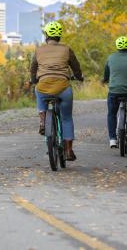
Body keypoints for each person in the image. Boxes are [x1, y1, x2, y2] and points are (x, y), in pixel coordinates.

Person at [30, 21, 83, 161]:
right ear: (59, 36)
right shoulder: (67, 49)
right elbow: (76, 67)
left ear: (46, 35)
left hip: (43, 87)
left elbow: (33, 69)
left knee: (39, 92)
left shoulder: (39, 50)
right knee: (66, 118)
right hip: (63, 88)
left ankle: (42, 121)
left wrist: (34, 80)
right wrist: (79, 77)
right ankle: (69, 150)